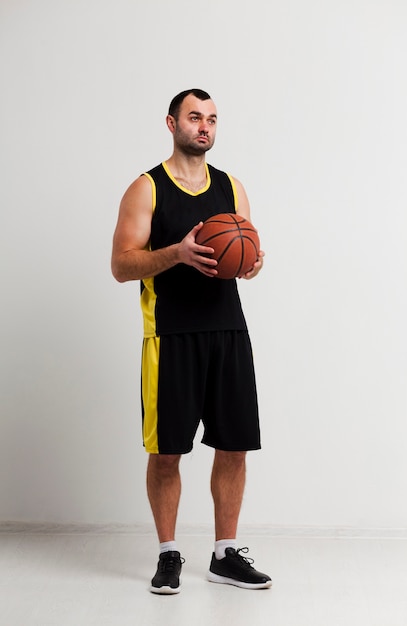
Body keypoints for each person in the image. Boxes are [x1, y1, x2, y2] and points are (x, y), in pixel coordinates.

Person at [111, 88, 271, 594]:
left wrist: (251, 261)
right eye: (195, 117)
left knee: (235, 446)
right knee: (166, 454)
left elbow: (244, 251)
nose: (204, 126)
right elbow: (121, 265)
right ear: (171, 123)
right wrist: (176, 253)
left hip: (229, 332)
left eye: (212, 119)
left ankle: (225, 554)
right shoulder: (146, 188)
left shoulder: (231, 187)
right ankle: (168, 553)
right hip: (170, 336)